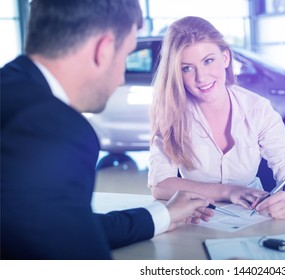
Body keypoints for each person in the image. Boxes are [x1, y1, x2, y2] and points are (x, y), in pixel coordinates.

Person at [0, 0, 213, 260]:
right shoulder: (52, 129)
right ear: (104, 49)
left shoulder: (10, 89)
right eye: (126, 56)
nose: (121, 77)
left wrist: (163, 214)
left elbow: (66, 229)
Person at [149, 16, 285, 220]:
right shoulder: (171, 114)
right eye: (187, 68)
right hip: (197, 219)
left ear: (225, 58)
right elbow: (160, 185)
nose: (201, 78)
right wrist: (229, 191)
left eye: (208, 61)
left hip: (254, 216)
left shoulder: (257, 109)